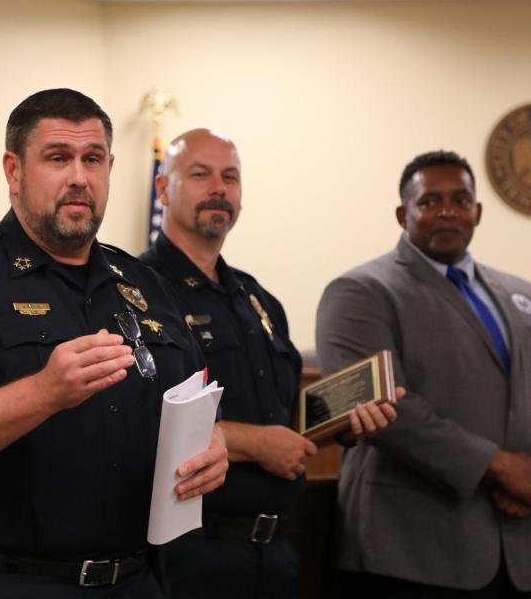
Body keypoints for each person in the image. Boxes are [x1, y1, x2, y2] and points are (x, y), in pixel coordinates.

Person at [0, 89, 228, 598]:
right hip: (12, 580)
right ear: (14, 171)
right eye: (58, 158)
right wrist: (42, 393)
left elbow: (197, 407)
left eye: (93, 159)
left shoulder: (147, 285)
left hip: (139, 578)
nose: (79, 177)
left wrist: (215, 449)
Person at [315, 150, 531, 597]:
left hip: (528, 551)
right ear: (401, 213)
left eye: (461, 200)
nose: (447, 211)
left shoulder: (529, 295)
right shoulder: (361, 291)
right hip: (412, 553)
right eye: (429, 201)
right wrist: (503, 468)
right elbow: (380, 409)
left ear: (477, 211)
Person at [140, 128, 399, 599]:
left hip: (275, 551)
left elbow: (284, 412)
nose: (219, 188)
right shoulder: (139, 292)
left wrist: (345, 419)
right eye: (200, 175)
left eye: (231, 177)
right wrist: (257, 444)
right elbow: (142, 416)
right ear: (163, 189)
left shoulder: (257, 300)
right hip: (189, 557)